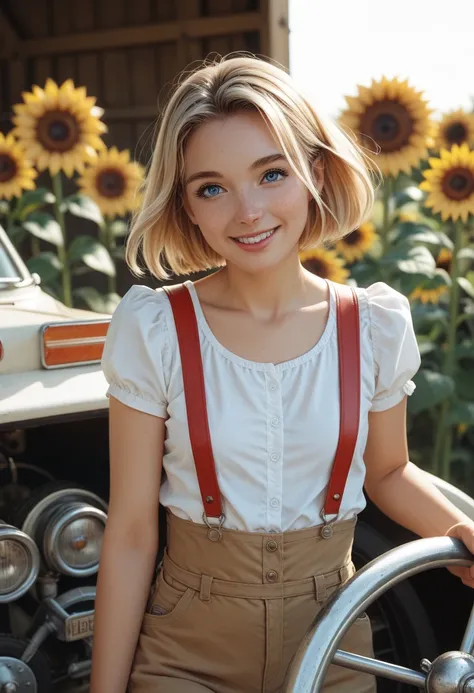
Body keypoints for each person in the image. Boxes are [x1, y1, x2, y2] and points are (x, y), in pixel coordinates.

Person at [90, 55, 474, 693]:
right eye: (211, 188)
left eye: (271, 174)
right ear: (186, 207)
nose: (247, 211)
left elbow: (387, 471)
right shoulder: (155, 329)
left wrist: (458, 531)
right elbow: (131, 531)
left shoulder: (373, 325)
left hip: (334, 646)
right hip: (186, 654)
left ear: (313, 174)